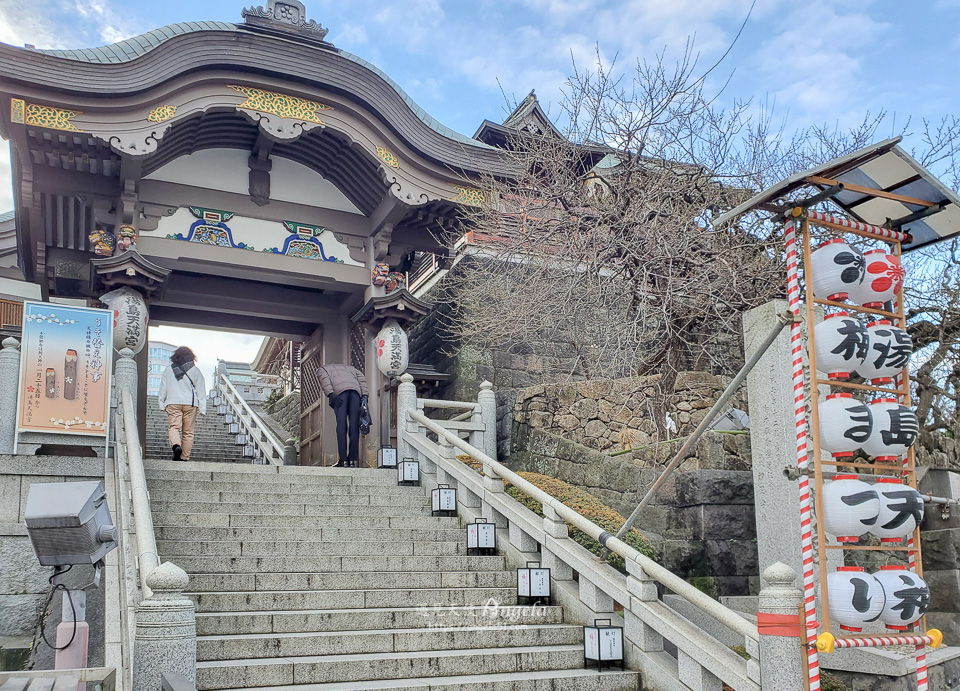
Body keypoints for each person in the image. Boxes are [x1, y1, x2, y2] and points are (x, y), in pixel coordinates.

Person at [158, 346, 207, 461]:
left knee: (174, 427)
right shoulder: (195, 371)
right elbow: (201, 390)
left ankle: (176, 446)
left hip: (173, 402)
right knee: (188, 432)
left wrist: (161, 403)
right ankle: (184, 457)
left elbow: (163, 387)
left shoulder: (168, 369)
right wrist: (202, 408)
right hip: (190, 403)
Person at [317, 363, 369, 467]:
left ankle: (343, 460)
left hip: (340, 394)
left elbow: (325, 380)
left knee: (341, 425)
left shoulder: (322, 369)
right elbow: (362, 379)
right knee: (354, 426)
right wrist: (365, 396)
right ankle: (352, 460)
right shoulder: (352, 369)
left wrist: (331, 394)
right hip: (355, 393)